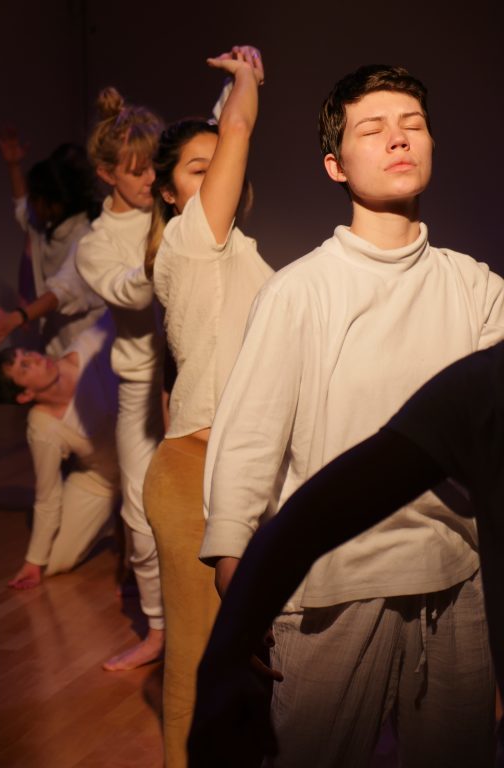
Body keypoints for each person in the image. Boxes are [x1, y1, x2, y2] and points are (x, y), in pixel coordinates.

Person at [199, 63, 504, 766]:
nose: (400, 140)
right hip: (335, 585)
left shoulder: (476, 286)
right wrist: (237, 580)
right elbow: (249, 436)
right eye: (374, 129)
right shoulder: (301, 292)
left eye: (414, 125)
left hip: (457, 579)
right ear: (335, 164)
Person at [189, 340, 504, 768]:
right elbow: (305, 507)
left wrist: (224, 662)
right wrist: (227, 648)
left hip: (453, 569)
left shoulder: (481, 316)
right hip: (338, 582)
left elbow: (309, 519)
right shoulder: (487, 383)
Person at [141, 44, 271, 768]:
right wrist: (246, 81)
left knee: (252, 657)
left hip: (246, 472)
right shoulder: (190, 244)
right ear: (167, 193)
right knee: (197, 661)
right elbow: (239, 135)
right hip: (197, 475)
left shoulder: (236, 251)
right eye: (199, 166)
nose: (219, 166)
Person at [75, 86, 167, 670]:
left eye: (155, 164)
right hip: (141, 385)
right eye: (136, 171)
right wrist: (170, 242)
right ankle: (158, 630)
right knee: (139, 507)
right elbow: (134, 289)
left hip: (195, 375)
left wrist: (241, 87)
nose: (150, 177)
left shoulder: (168, 200)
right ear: (108, 173)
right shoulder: (95, 245)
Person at [0, 318, 120, 589]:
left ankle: (124, 520)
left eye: (26, 355)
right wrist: (33, 561)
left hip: (146, 464)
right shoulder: (42, 425)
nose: (34, 358)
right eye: (24, 367)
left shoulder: (90, 346)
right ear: (24, 395)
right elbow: (48, 494)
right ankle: (111, 517)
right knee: (56, 561)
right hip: (102, 477)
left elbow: (116, 315)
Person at [0, 133, 107, 356]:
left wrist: (18, 316)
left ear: (53, 203)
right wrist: (13, 165)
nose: (30, 203)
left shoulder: (85, 237)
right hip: (56, 341)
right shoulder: (49, 224)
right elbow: (23, 211)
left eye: (35, 198)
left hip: (88, 346)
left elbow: (61, 291)